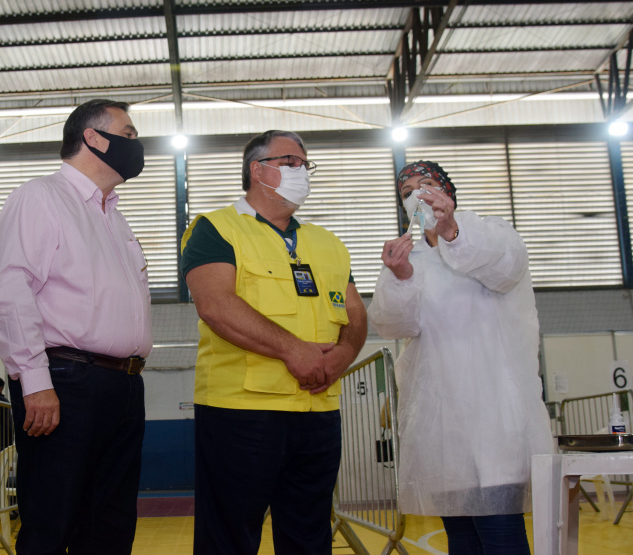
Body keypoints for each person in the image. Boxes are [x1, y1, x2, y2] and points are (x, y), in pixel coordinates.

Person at [180, 130, 367, 554]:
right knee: (229, 537)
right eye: (290, 162)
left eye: (305, 164)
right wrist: (292, 349)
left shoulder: (328, 243)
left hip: (317, 408)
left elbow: (354, 313)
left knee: (309, 534)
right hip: (242, 411)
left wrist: (344, 354)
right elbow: (215, 304)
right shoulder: (216, 228)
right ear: (257, 170)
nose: (302, 171)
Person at [367, 160, 553, 555]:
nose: (417, 194)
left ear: (448, 192)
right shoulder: (410, 258)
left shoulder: (492, 234)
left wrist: (451, 230)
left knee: (501, 536)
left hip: (495, 421)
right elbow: (393, 324)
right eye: (407, 191)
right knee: (463, 540)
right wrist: (401, 275)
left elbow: (506, 270)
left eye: (427, 184)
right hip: (442, 425)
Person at [0, 99, 151, 555]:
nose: (136, 144)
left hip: (123, 384)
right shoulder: (41, 197)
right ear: (94, 138)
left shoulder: (114, 217)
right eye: (129, 132)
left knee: (110, 527)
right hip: (66, 381)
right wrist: (35, 382)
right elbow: (12, 289)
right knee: (51, 521)